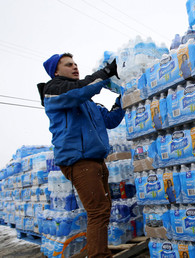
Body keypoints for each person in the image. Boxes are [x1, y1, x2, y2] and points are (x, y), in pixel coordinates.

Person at [37, 53, 124, 258]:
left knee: (102, 211)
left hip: (96, 161)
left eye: (76, 63)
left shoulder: (87, 101)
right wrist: (106, 73)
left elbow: (110, 120)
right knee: (97, 210)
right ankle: (98, 255)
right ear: (56, 72)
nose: (75, 67)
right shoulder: (54, 91)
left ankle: (99, 251)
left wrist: (123, 99)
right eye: (69, 65)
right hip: (79, 161)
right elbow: (80, 90)